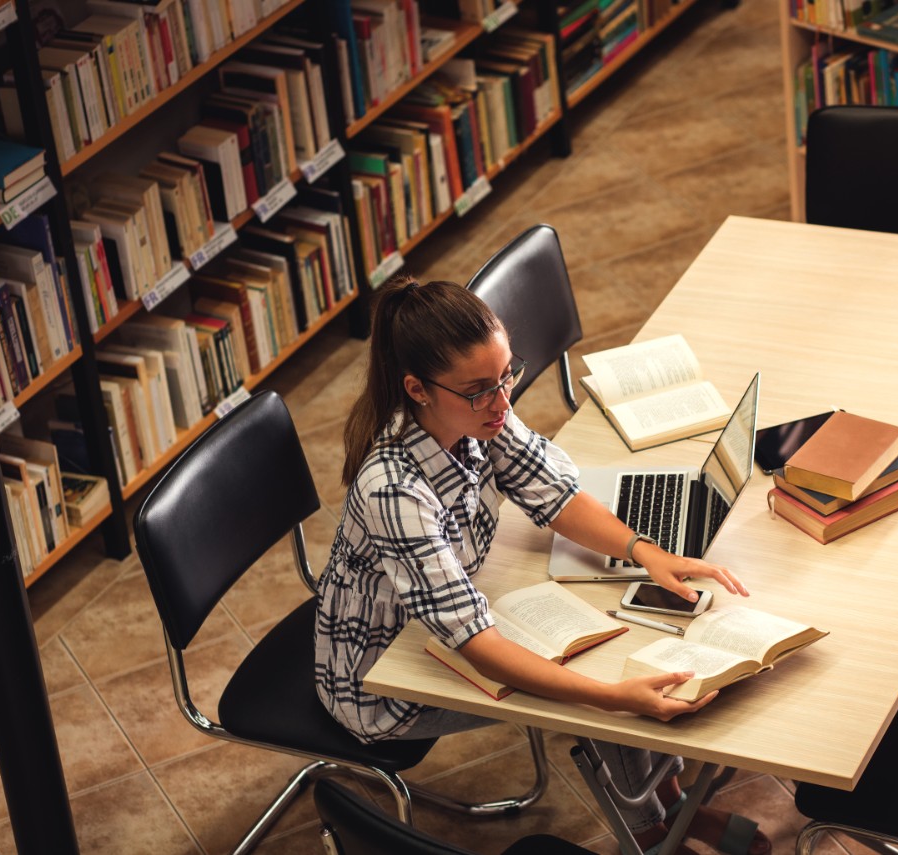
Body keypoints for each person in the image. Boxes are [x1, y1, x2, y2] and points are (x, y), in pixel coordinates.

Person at [315, 276, 770, 855]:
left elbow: (554, 493)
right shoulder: (394, 491)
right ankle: (656, 834)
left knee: (617, 648)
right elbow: (476, 645)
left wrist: (649, 553)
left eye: (507, 376)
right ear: (418, 389)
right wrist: (611, 700)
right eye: (481, 390)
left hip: (442, 622)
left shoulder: (474, 414)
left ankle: (672, 803)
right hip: (382, 682)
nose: (502, 402)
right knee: (603, 691)